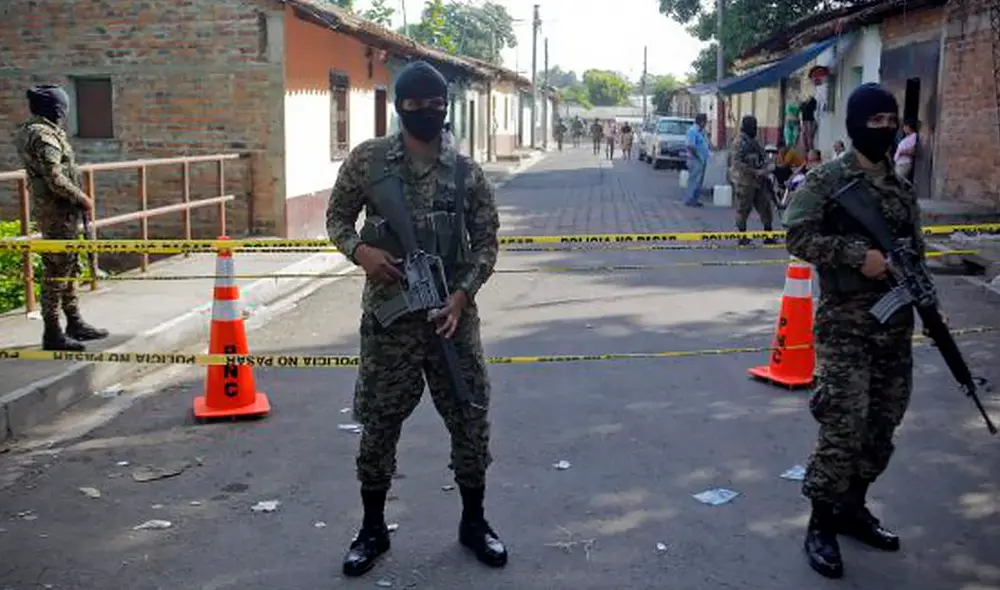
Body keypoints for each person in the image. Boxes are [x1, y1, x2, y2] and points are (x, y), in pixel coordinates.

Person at [325, 60, 507, 578]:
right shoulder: (368, 162)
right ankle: (372, 528)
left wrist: (462, 297)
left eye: (435, 105)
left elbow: (487, 245)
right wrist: (361, 252)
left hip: (451, 323)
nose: (426, 113)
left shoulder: (466, 173)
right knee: (379, 425)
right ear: (399, 106)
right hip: (390, 321)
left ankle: (474, 522)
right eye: (416, 105)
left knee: (470, 420)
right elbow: (337, 218)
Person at [782, 83, 920, 580]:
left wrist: (927, 300)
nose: (883, 129)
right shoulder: (829, 180)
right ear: (857, 123)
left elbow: (914, 251)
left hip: (894, 324)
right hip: (845, 326)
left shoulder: (902, 190)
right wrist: (857, 256)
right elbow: (795, 232)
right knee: (844, 424)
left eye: (891, 121)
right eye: (875, 121)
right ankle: (820, 522)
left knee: (883, 424)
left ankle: (852, 508)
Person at [14, 85, 109, 351]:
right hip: (57, 213)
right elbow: (55, 177)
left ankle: (75, 323)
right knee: (56, 272)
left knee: (68, 267)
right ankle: (53, 333)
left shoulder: (38, 131)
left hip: (61, 212)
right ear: (56, 109)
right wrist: (82, 197)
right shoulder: (43, 136)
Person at [729, 115, 776, 246]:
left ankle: (768, 235)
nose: (755, 130)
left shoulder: (754, 141)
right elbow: (737, 163)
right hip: (745, 181)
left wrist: (766, 167)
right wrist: (755, 171)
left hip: (759, 181)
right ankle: (742, 236)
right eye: (753, 127)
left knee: (765, 208)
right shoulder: (739, 142)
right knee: (743, 209)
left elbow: (763, 156)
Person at [684, 113, 710, 207]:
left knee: (699, 181)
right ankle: (690, 199)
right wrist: (698, 156)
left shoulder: (701, 131)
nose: (706, 123)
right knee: (694, 180)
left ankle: (695, 199)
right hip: (695, 159)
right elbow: (690, 146)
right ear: (702, 122)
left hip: (702, 160)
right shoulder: (693, 131)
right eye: (705, 121)